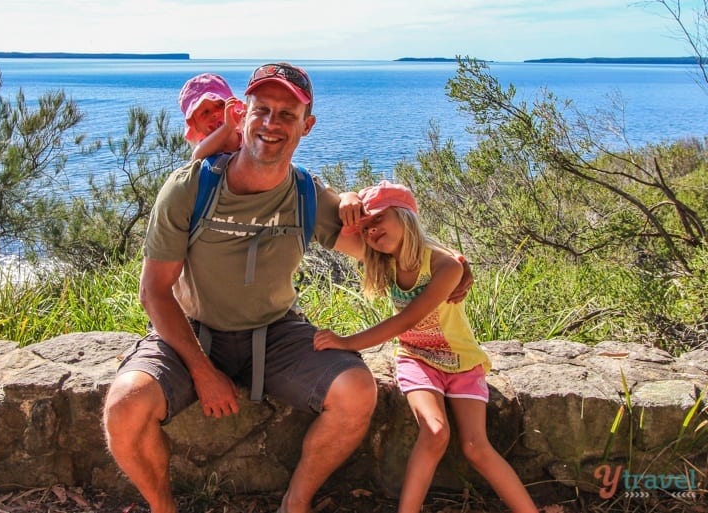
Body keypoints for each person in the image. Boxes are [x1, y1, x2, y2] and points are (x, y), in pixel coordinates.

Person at [103, 63, 473, 513]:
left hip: (276, 333)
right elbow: (154, 293)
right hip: (191, 332)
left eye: (286, 114)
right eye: (262, 110)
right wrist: (202, 371)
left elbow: (385, 245)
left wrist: (447, 260)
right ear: (241, 116)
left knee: (357, 391)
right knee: (124, 405)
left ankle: (294, 504)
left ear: (307, 125)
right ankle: (164, 507)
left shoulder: (306, 196)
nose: (271, 124)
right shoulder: (189, 189)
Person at [315, 181, 538, 513]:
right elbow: (325, 225)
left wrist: (346, 342)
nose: (373, 230)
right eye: (367, 225)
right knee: (435, 432)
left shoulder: (446, 265)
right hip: (416, 360)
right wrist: (348, 197)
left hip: (463, 363)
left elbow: (405, 321)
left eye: (379, 219)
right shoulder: (380, 257)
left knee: (477, 447)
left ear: (405, 216)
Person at [177, 72, 244, 160]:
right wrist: (227, 127)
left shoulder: (246, 136)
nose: (215, 113)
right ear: (195, 125)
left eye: (220, 105)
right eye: (205, 112)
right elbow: (197, 156)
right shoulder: (205, 147)